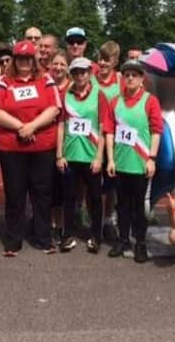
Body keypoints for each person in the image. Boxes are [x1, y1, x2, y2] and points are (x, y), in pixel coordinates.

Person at [0, 40, 61, 257]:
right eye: (20, 58)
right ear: (15, 59)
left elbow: (54, 107)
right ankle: (13, 240)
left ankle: (43, 238)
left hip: (42, 146)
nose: (24, 62)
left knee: (42, 194)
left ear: (34, 61)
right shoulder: (4, 81)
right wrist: (20, 126)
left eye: (28, 58)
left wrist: (33, 125)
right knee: (15, 193)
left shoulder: (46, 79)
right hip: (12, 148)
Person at [105, 59, 162, 263]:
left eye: (134, 75)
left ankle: (140, 243)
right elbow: (110, 132)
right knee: (122, 205)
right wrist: (110, 159)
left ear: (141, 79)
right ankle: (122, 240)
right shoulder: (115, 102)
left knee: (140, 207)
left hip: (140, 164)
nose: (130, 78)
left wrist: (152, 158)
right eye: (127, 74)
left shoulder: (150, 101)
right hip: (121, 164)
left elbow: (156, 131)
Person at [56, 57, 108, 253]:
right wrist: (59, 154)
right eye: (76, 72)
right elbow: (61, 125)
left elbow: (103, 128)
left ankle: (96, 235)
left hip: (91, 157)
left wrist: (99, 158)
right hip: (70, 157)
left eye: (83, 72)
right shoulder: (66, 95)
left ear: (90, 73)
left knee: (94, 198)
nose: (79, 76)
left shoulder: (99, 95)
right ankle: (67, 235)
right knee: (68, 198)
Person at [96, 41, 123, 243]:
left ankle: (108, 219)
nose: (103, 63)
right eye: (100, 58)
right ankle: (88, 215)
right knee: (90, 181)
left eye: (107, 59)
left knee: (112, 182)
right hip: (93, 139)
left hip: (114, 139)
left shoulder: (121, 80)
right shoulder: (90, 79)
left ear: (115, 61)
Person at [49, 50, 71, 243]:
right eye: (55, 64)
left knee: (65, 187)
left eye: (62, 64)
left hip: (69, 144)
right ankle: (52, 224)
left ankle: (64, 224)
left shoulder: (72, 88)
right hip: (47, 141)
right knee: (49, 186)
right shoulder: (45, 86)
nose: (58, 67)